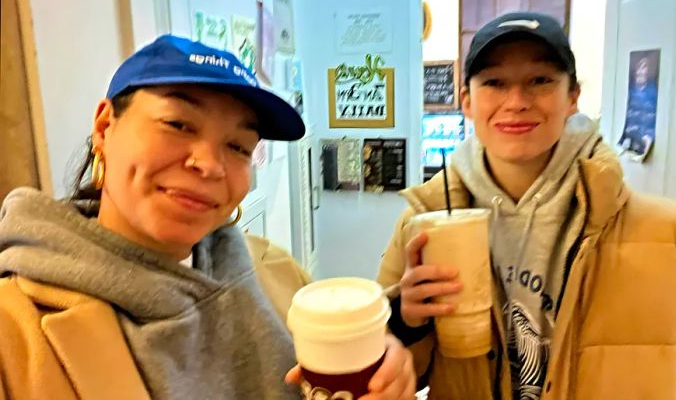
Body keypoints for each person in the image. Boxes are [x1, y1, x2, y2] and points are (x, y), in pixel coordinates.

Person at [0, 35, 415, 399]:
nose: (209, 164)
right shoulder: (15, 332)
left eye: (237, 147)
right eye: (178, 124)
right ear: (106, 127)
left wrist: (387, 369)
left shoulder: (274, 271)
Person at [377, 12, 676, 399]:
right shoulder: (423, 223)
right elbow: (387, 371)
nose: (516, 102)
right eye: (494, 82)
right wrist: (406, 321)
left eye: (541, 81)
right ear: (466, 100)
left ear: (572, 97)